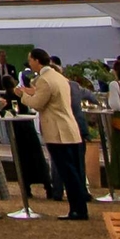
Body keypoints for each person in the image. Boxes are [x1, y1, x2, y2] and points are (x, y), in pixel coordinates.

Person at [26, 54, 90, 221]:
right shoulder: (60, 78)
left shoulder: (45, 80)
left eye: (31, 60)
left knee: (68, 172)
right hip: (70, 128)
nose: (30, 63)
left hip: (58, 131)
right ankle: (79, 207)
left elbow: (37, 104)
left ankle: (77, 209)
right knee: (74, 171)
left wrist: (23, 95)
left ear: (37, 61)